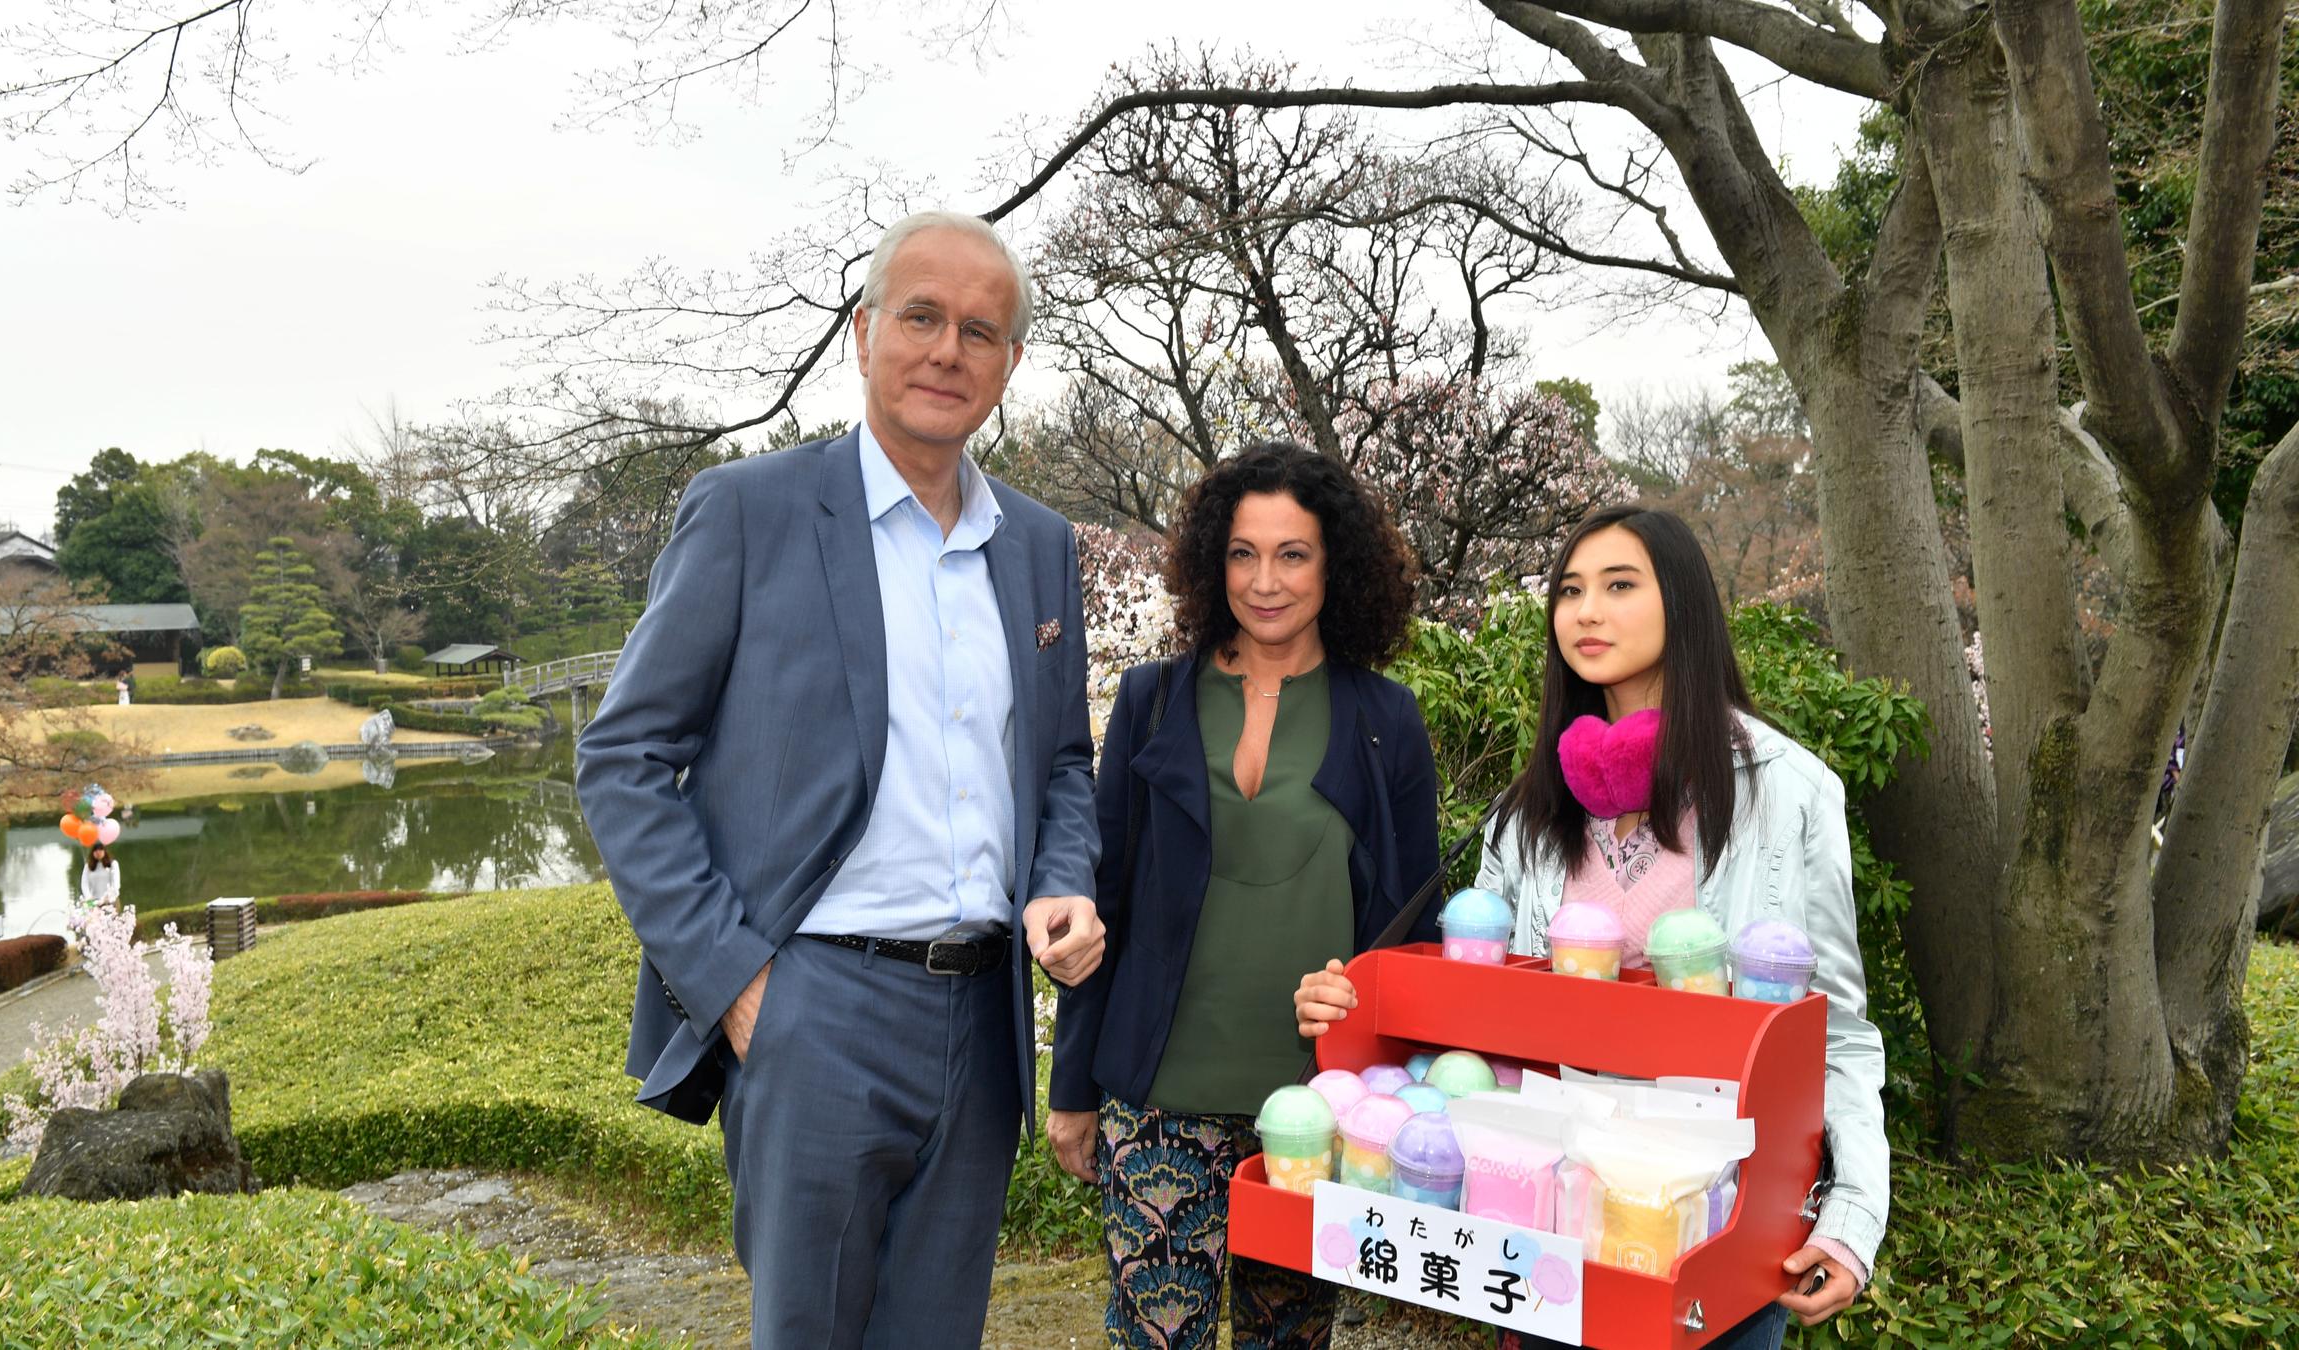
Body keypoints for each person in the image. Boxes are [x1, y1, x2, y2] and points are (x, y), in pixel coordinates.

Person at [574, 210, 1105, 1350]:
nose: (946, 350)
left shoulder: (1038, 546)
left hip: (983, 1017)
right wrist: (735, 981)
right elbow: (623, 758)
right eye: (919, 316)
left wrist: (1064, 879)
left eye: (980, 330)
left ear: (1010, 366)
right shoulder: (752, 511)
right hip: (815, 1008)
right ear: (863, 334)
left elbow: (1063, 765)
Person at [1296, 505, 1888, 1348]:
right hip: (1546, 1214)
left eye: (1619, 586)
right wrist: (1354, 1009)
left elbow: (1836, 1033)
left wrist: (1853, 1220)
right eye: (1570, 590)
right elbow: (1481, 1005)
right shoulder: (1528, 808)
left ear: (1681, 605)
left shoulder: (1787, 791)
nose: (1586, 611)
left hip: (1710, 1219)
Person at [1050, 443, 1440, 1350]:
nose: (1265, 581)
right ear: (1210, 563)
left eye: (1292, 554)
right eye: (1242, 553)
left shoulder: (1386, 721)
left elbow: (1411, 930)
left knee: (1289, 1344)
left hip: (1312, 1105)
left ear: (1335, 565)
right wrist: (1072, 1087)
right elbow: (1099, 905)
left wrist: (1391, 1093)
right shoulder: (1152, 700)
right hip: (1157, 1098)